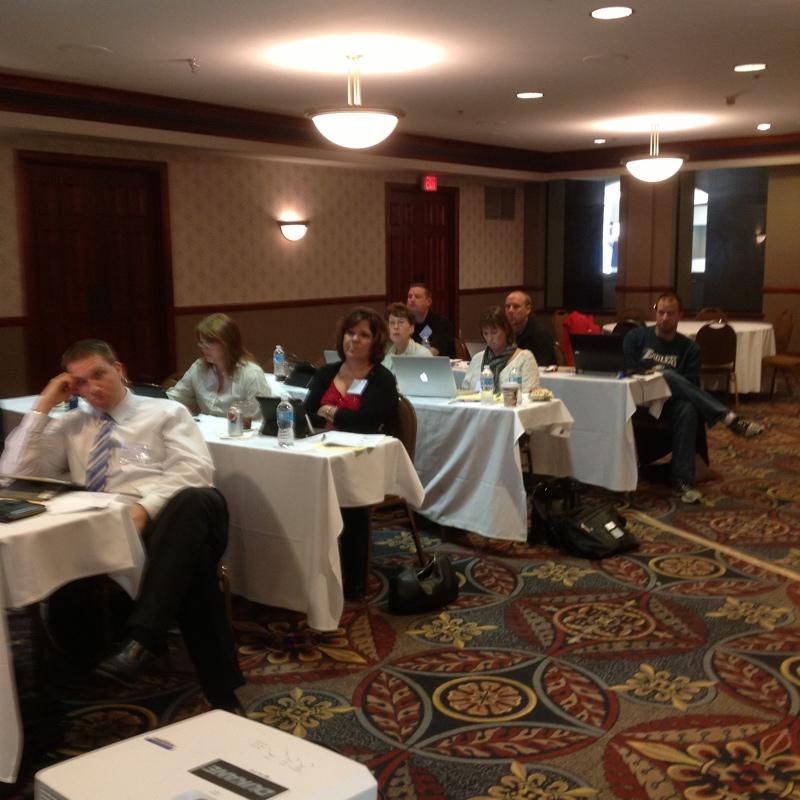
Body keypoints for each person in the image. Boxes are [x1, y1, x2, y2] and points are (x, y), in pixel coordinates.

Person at [0, 339, 244, 711]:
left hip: (168, 518)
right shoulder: (72, 425)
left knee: (196, 501)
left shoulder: (166, 413)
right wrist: (44, 405)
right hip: (105, 530)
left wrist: (144, 509)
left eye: (99, 374)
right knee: (191, 567)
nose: (92, 388)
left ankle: (142, 637)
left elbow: (195, 471)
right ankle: (184, 668)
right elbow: (15, 474)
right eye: (80, 382)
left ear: (119, 370)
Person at [623, 291, 764, 503]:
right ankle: (729, 418)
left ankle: (683, 481)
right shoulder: (636, 337)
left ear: (680, 315)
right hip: (635, 402)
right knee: (668, 374)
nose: (664, 318)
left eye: (670, 313)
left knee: (687, 408)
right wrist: (659, 374)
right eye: (660, 312)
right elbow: (627, 368)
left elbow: (689, 388)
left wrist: (662, 378)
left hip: (667, 404)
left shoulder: (689, 348)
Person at [304, 307, 398, 599]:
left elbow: (367, 421)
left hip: (366, 459)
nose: (354, 340)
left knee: (352, 494)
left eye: (363, 335)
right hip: (322, 453)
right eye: (350, 332)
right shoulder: (326, 373)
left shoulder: (382, 379)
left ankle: (354, 580)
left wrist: (331, 412)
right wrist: (336, 416)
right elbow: (307, 413)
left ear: (375, 342)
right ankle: (308, 568)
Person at [168, 312, 269, 419]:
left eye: (209, 342)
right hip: (207, 429)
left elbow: (260, 419)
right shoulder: (198, 368)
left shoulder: (251, 374)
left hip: (239, 429)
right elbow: (176, 397)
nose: (203, 348)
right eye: (201, 342)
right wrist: (156, 398)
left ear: (228, 343)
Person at [463, 305, 540, 393]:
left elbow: (528, 394)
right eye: (485, 333)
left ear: (506, 330)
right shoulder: (477, 359)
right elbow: (465, 392)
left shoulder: (525, 358)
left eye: (494, 332)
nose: (490, 338)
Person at [505, 290, 556, 366]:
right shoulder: (504, 332)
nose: (510, 310)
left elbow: (539, 367)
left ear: (528, 309)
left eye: (516, 307)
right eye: (507, 306)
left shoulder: (541, 335)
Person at [382, 302, 433, 372]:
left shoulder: (423, 355)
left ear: (411, 328)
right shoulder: (386, 357)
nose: (396, 327)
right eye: (392, 323)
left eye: (401, 322)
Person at [406, 283, 454, 357]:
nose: (412, 300)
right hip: (411, 362)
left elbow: (431, 354)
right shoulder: (406, 323)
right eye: (409, 296)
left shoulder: (441, 323)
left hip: (437, 363)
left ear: (428, 302)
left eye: (417, 297)